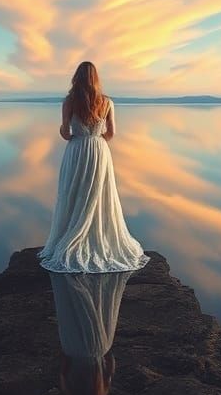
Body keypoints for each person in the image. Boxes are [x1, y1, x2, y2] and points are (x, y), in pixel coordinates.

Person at [38, 61, 150, 274]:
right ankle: (97, 236)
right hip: (99, 151)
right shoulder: (107, 102)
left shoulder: (69, 102)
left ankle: (71, 234)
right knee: (98, 194)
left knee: (74, 192)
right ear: (96, 79)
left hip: (77, 150)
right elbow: (111, 133)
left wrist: (76, 136)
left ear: (76, 78)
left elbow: (65, 132)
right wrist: (96, 140)